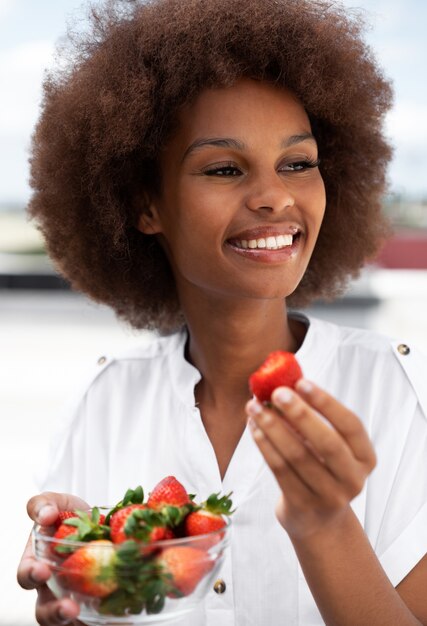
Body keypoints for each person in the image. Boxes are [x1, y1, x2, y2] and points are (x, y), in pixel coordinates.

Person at [17, 0, 427, 624]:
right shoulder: (106, 401)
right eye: (225, 168)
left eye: (298, 163)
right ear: (147, 206)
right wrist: (86, 586)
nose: (274, 197)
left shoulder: (394, 390)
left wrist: (323, 524)